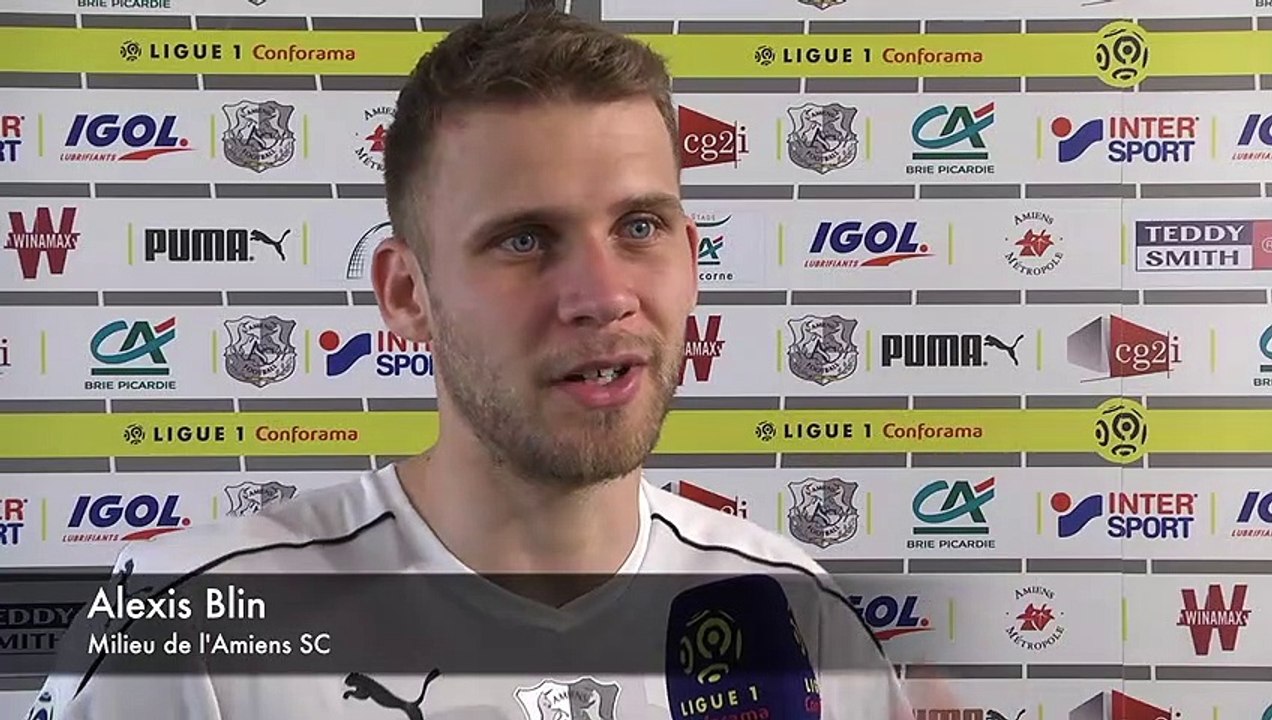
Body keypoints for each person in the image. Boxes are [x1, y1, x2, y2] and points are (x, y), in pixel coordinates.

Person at [27, 10, 917, 719]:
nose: (601, 294)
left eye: (638, 228)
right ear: (406, 293)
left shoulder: (800, 618)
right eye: (525, 239)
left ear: (691, 256)